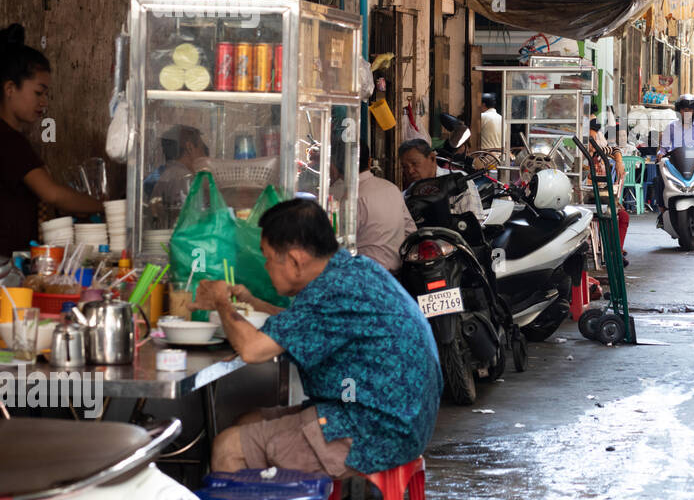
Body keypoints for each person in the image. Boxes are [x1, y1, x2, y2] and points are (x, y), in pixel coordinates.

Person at [197, 199, 442, 476]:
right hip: (401, 420)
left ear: (295, 260)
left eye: (267, 257)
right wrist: (255, 302)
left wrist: (221, 301)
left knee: (227, 447)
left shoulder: (332, 289)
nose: (265, 266)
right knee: (246, 421)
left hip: (375, 431)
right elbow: (310, 322)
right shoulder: (351, 271)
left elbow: (253, 350)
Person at [0, 24, 104, 255]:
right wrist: (104, 206)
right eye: (39, 92)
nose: (44, 102)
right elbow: (52, 194)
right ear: (10, 88)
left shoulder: (14, 139)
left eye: (46, 94)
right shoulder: (8, 141)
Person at [330, 139, 414, 274]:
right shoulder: (391, 188)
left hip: (364, 278)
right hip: (398, 275)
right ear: (369, 162)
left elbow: (337, 246)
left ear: (334, 166)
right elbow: (410, 231)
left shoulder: (348, 198)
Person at [654, 94, 694, 214]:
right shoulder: (671, 126)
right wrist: (661, 153)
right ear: (680, 111)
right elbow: (664, 147)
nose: (687, 112)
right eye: (684, 109)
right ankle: (662, 209)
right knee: (660, 170)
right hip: (676, 162)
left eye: (690, 110)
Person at [398, 137, 484, 220]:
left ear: (432, 158)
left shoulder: (459, 181)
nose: (410, 171)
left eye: (414, 163)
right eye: (405, 167)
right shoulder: (406, 196)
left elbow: (475, 224)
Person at [588, 118, 629, 261]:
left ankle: (616, 250)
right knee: (611, 215)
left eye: (594, 138)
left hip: (601, 196)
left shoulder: (599, 152)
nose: (592, 142)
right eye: (590, 139)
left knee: (623, 216)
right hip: (587, 200)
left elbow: (615, 149)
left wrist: (619, 162)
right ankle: (614, 252)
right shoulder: (579, 155)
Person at [147, 125, 209, 216]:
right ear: (190, 147)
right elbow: (194, 218)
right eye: (202, 149)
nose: (205, 156)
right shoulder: (184, 178)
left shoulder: (169, 173)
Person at [479, 93, 503, 166]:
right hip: (500, 156)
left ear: (483, 104)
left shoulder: (482, 117)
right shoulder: (501, 118)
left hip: (485, 156)